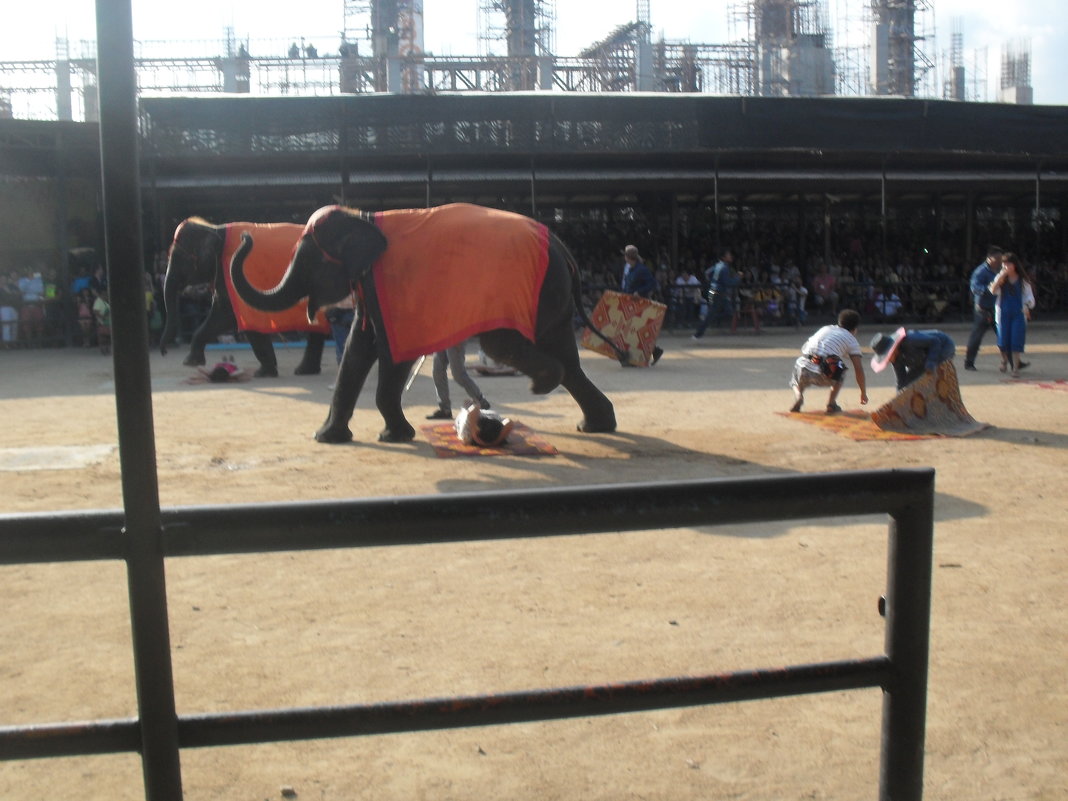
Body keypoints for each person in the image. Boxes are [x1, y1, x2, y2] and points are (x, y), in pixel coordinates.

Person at [789, 308, 868, 414]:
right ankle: (831, 403)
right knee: (841, 369)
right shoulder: (852, 340)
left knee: (798, 369)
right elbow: (858, 369)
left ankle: (799, 396)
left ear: (839, 322)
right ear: (855, 329)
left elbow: (806, 347)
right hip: (825, 376)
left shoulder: (826, 328)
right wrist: (863, 392)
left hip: (804, 370)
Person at [988, 252, 1036, 379]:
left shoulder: (1023, 280)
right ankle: (1004, 360)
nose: (1005, 266)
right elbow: (993, 290)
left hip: (1018, 313)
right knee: (1003, 340)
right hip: (1003, 312)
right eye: (1004, 263)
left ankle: (1015, 367)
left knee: (1016, 340)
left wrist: (1027, 306)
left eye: (1008, 263)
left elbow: (1029, 297)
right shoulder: (1001, 277)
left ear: (1014, 265)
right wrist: (1000, 277)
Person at [964, 245, 1008, 371]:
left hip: (996, 307)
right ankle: (969, 362)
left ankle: (1011, 360)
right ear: (989, 258)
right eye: (997, 259)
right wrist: (990, 289)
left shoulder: (1000, 269)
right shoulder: (980, 272)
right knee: (977, 336)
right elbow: (975, 288)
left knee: (1003, 334)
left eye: (1001, 259)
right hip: (983, 309)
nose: (1000, 262)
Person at [870, 328, 956, 391]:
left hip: (944, 346)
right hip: (921, 358)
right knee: (909, 382)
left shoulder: (910, 340)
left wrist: (931, 362)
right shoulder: (896, 360)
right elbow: (901, 381)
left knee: (931, 372)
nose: (888, 360)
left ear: (893, 349)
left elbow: (935, 341)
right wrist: (899, 396)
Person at [620, 244, 664, 365]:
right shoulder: (631, 269)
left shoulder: (641, 269)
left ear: (628, 257)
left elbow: (652, 284)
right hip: (630, 304)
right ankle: (654, 351)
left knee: (632, 330)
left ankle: (631, 357)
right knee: (633, 330)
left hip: (639, 304)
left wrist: (639, 292)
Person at [426, 340, 490, 420]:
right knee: (438, 371)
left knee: (458, 374)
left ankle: (481, 400)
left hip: (454, 334)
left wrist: (459, 338)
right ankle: (445, 409)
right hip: (441, 335)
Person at [692, 248, 735, 339]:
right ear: (724, 257)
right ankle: (701, 329)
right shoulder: (723, 267)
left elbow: (706, 273)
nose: (730, 256)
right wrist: (737, 278)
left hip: (715, 291)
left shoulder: (717, 266)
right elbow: (727, 282)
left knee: (728, 312)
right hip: (717, 292)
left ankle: (707, 320)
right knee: (720, 312)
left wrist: (711, 282)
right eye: (728, 255)